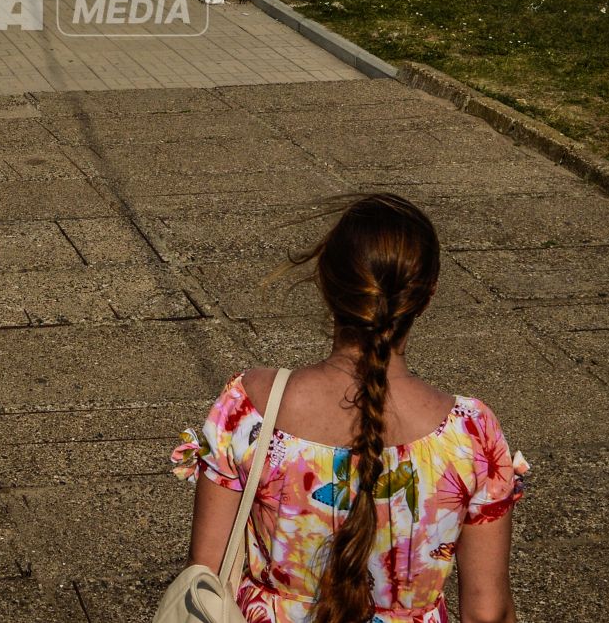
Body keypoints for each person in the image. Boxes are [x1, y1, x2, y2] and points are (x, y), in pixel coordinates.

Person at [170, 193, 527, 623]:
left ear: (326, 282)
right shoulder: (471, 435)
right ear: (426, 296)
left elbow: (205, 574)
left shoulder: (248, 407)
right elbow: (487, 612)